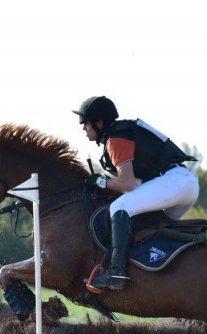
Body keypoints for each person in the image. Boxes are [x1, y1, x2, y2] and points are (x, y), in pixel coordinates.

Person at [74, 96, 199, 291]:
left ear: (99, 122)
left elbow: (127, 183)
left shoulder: (116, 139)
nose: (83, 129)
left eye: (85, 123)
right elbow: (135, 184)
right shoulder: (122, 133)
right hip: (182, 183)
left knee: (119, 207)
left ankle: (116, 273)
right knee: (149, 223)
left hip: (174, 181)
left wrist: (99, 181)